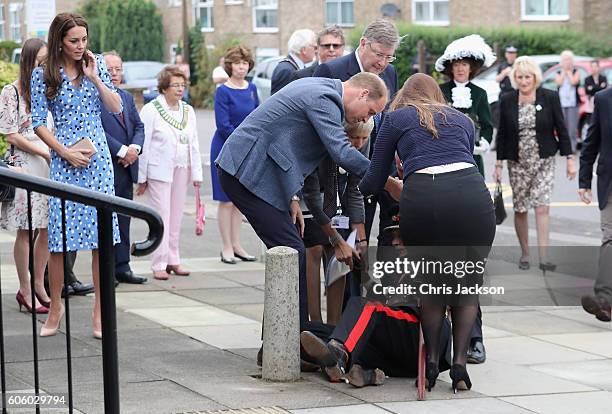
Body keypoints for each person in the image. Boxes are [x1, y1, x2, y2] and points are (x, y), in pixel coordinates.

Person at [215, 73, 401, 331]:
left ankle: (283, 340)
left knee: (289, 252)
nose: (365, 120)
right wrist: (388, 182)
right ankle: (295, 340)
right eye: (369, 112)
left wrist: (291, 198)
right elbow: (342, 152)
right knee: (293, 252)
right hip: (246, 172)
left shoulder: (323, 91)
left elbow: (288, 145)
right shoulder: (324, 99)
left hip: (256, 174)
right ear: (363, 93)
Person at [359, 73, 496, 393]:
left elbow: (374, 178)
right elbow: (455, 157)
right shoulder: (462, 120)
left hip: (425, 199)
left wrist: (357, 192)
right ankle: (460, 366)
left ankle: (433, 362)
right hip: (474, 198)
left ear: (403, 96)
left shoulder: (394, 119)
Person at [30, 12, 122, 338]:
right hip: (64, 159)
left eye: (84, 39)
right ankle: (55, 307)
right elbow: (38, 122)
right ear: (60, 41)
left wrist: (96, 77)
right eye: (73, 41)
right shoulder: (44, 75)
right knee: (58, 240)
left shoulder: (93, 66)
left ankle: (99, 312)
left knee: (101, 240)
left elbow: (116, 108)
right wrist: (63, 151)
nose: (80, 46)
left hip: (97, 161)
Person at [314, 18, 400, 253]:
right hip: (342, 174)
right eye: (379, 54)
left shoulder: (390, 72)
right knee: (343, 246)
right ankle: (345, 290)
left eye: (389, 57)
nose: (383, 63)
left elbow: (388, 119)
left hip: (380, 164)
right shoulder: (332, 70)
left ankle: (371, 288)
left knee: (375, 242)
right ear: (363, 44)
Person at [495, 56, 576, 271]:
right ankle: (525, 253)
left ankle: (544, 257)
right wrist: (498, 165)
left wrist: (570, 159)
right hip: (517, 161)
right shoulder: (507, 99)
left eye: (527, 77)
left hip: (544, 159)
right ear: (515, 79)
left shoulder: (549, 97)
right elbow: (502, 133)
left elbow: (562, 128)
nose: (524, 81)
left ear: (535, 77)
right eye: (520, 77)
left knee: (542, 207)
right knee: (521, 209)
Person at [302, 119, 373, 324]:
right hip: (307, 193)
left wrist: (361, 239)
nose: (359, 143)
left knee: (340, 255)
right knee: (314, 248)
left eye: (364, 138)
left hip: (337, 200)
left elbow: (356, 189)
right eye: (353, 138)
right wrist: (334, 237)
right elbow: (312, 194)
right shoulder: (324, 138)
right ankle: (314, 321)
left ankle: (334, 325)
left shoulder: (362, 144)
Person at [137, 65, 203, 280]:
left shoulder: (188, 110)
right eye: (175, 85)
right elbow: (144, 145)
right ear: (164, 87)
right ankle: (159, 262)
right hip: (159, 170)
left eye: (182, 85)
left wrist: (197, 175)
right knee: (161, 216)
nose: (179, 89)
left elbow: (193, 142)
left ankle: (173, 258)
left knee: (176, 216)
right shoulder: (151, 109)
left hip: (182, 168)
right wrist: (142, 177)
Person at [0, 38, 51, 314]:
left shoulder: (47, 90)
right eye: (39, 62)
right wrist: (43, 152)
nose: (43, 68)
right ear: (28, 62)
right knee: (27, 229)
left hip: (48, 164)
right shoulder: (12, 92)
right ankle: (24, 287)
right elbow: (11, 134)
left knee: (46, 229)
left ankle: (40, 285)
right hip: (25, 164)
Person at [100, 51, 147, 284]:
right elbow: (98, 131)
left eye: (118, 69)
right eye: (110, 70)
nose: (115, 74)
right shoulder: (94, 97)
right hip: (108, 164)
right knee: (107, 220)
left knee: (124, 218)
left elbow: (138, 126)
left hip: (127, 166)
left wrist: (134, 150)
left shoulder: (127, 98)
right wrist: (121, 151)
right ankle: (106, 270)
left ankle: (122, 266)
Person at [210, 45, 258, 264]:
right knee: (226, 200)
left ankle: (237, 245)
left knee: (239, 201)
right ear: (230, 66)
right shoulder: (223, 90)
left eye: (245, 63)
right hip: (225, 149)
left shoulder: (252, 88)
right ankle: (226, 247)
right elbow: (223, 125)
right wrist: (243, 140)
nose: (242, 67)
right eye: (238, 63)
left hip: (247, 150)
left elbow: (258, 117)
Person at [437, 34, 495, 176]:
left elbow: (487, 125)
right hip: (446, 154)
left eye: (464, 64)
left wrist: (484, 144)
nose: (460, 69)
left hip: (472, 154)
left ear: (471, 68)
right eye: (456, 65)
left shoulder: (480, 93)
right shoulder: (440, 90)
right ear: (451, 68)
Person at [579, 86, 612, 322]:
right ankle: (604, 300)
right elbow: (592, 142)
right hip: (610, 181)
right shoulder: (603, 98)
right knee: (610, 237)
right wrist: (584, 181)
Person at [271, 29, 316, 95]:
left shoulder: (293, 67)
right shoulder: (286, 70)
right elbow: (279, 101)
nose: (316, 51)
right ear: (304, 49)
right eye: (315, 47)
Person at [554, 50, 581, 152]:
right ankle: (563, 147)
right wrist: (563, 72)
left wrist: (569, 73)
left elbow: (574, 82)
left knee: (572, 128)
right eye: (565, 59)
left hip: (573, 104)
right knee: (561, 126)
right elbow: (559, 82)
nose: (567, 62)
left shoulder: (575, 71)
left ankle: (572, 148)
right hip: (561, 103)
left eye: (569, 59)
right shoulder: (558, 72)